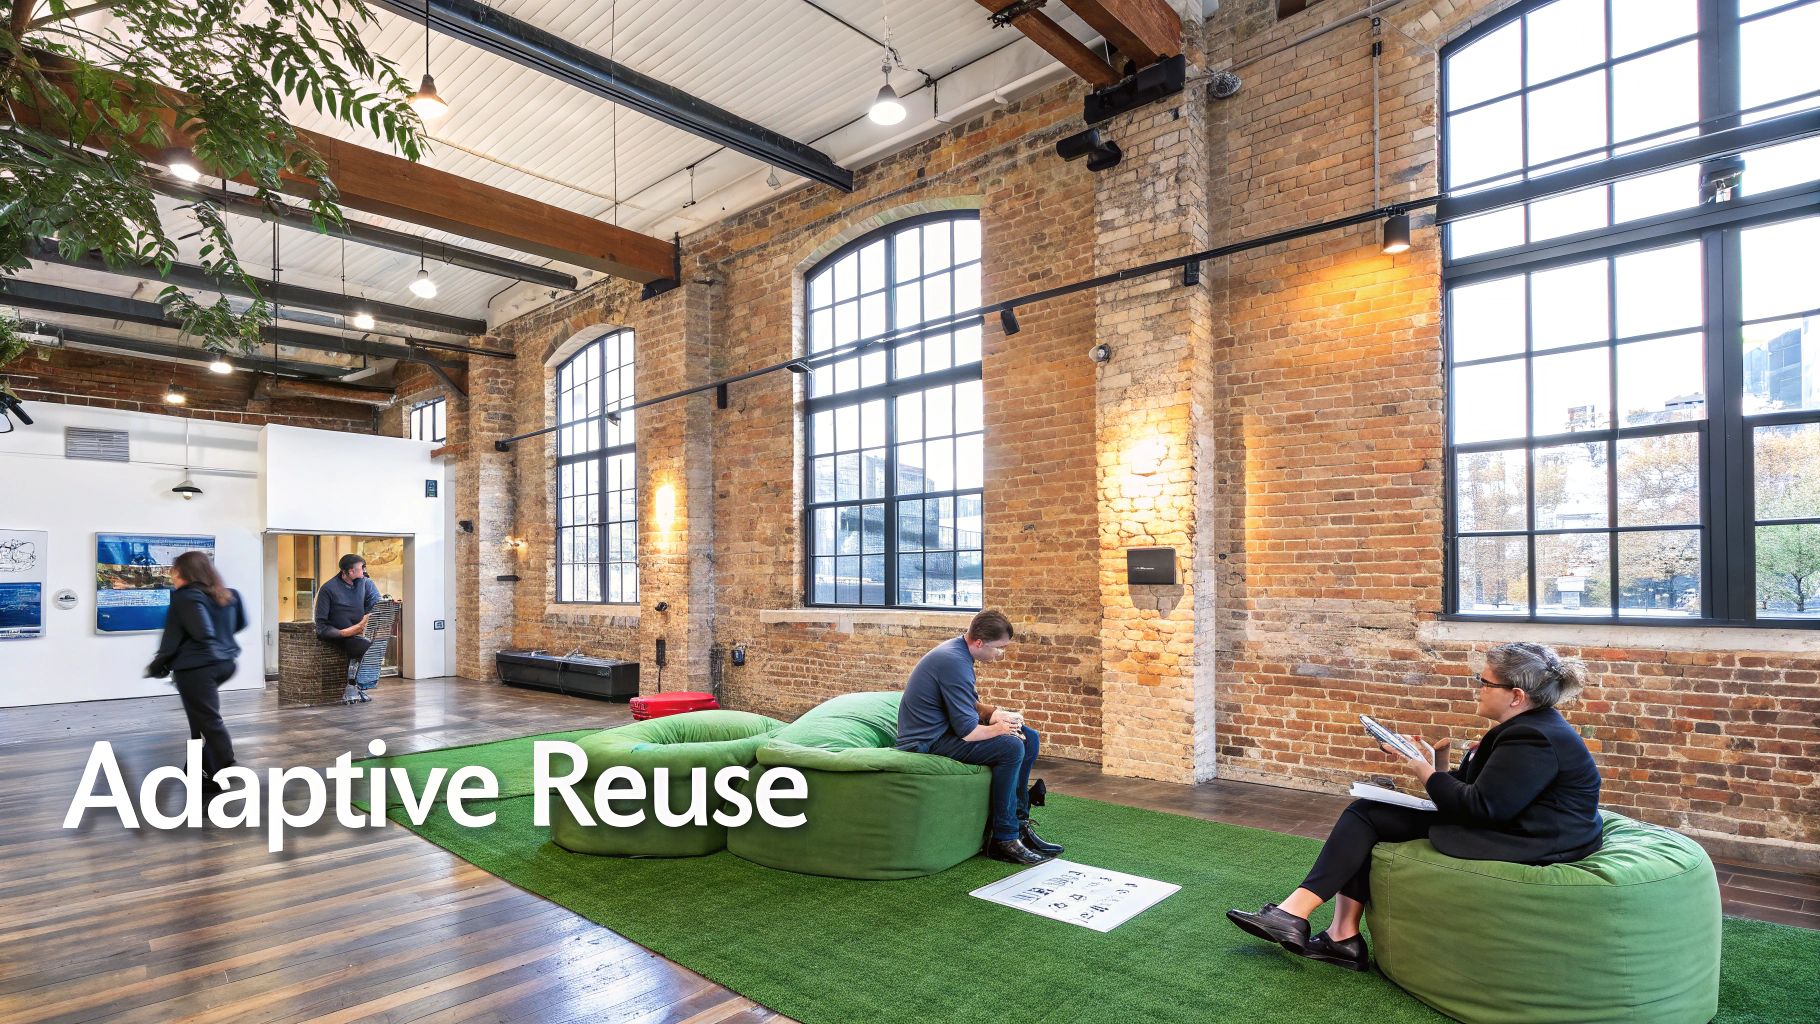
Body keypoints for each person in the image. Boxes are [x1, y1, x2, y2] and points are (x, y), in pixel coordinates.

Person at [1226, 642, 1603, 972]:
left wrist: (1421, 770)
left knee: (1367, 815)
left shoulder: (1531, 737)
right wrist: (1436, 762)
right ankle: (1336, 935)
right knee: (1370, 812)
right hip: (1521, 824)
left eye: (1485, 683)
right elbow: (1481, 791)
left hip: (1535, 840)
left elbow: (1480, 809)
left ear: (1516, 695)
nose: (1479, 690)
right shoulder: (1529, 726)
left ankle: (1303, 919)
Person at [896, 609, 1063, 866]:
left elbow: (968, 705)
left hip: (944, 731)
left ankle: (1019, 826)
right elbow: (968, 731)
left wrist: (997, 715)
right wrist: (1001, 729)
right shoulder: (954, 662)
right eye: (998, 648)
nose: (1000, 654)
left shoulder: (958, 653)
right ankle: (1003, 839)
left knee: (1029, 738)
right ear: (979, 642)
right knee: (1010, 746)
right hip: (926, 741)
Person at [145, 551, 247, 791]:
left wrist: (157, 665)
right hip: (225, 663)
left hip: (196, 667)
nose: (172, 576)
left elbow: (181, 637)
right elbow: (240, 624)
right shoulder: (229, 595)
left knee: (208, 720)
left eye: (174, 571)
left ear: (183, 572)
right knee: (198, 718)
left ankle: (224, 760)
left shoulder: (185, 597)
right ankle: (195, 771)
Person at [315, 553, 380, 704]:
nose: (364, 571)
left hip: (358, 632)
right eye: (361, 568)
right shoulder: (328, 589)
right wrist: (349, 631)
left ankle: (358, 686)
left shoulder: (364, 582)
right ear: (350, 571)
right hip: (339, 634)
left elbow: (376, 604)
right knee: (363, 645)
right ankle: (351, 686)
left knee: (376, 645)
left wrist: (364, 622)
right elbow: (321, 627)